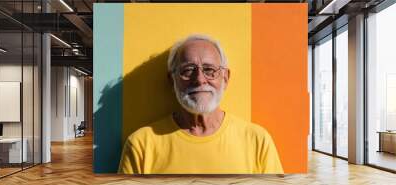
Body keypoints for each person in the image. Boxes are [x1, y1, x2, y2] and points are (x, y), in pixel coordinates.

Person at [118, 34, 283, 174]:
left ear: (225, 78)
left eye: (209, 70)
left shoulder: (257, 140)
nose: (199, 79)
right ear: (172, 79)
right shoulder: (141, 144)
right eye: (188, 70)